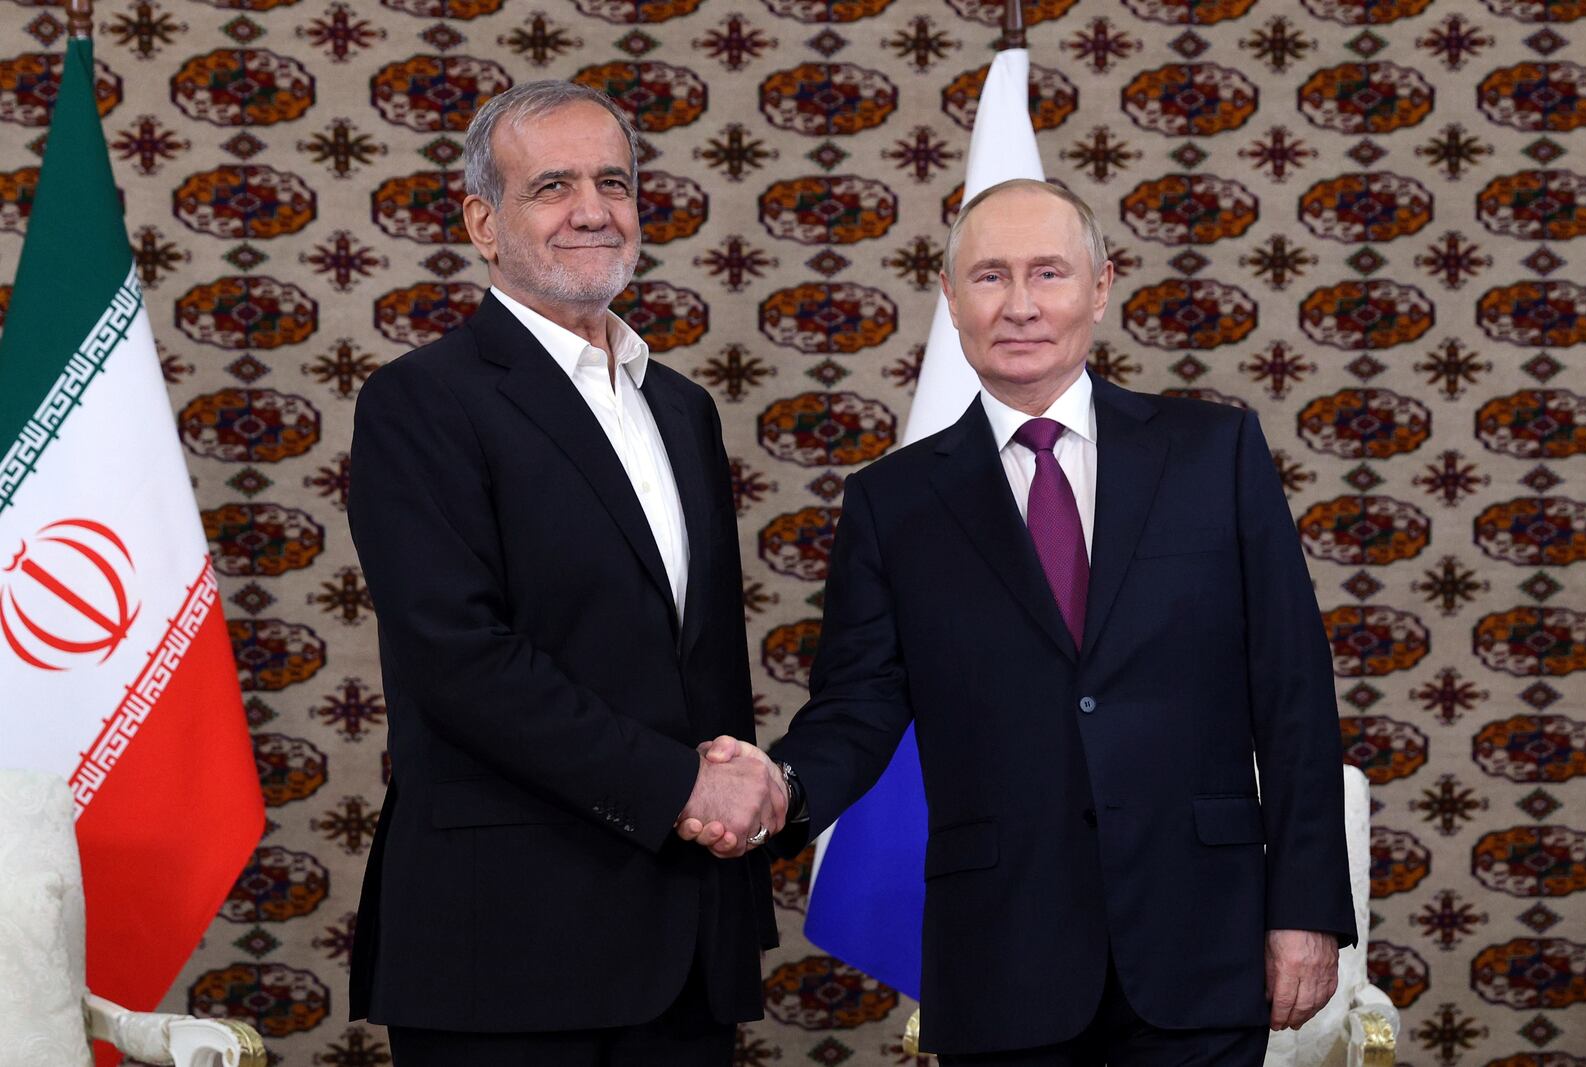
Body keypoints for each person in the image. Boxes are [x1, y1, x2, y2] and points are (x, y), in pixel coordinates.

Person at [687, 178, 1356, 1064]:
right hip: (1003, 957)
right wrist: (780, 789)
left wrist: (1304, 908)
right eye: (992, 276)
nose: (1021, 305)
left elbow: (1295, 695)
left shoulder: (1214, 455)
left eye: (1048, 273)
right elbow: (859, 705)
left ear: (1102, 285)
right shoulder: (893, 503)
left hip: (1199, 944)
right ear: (951, 296)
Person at [346, 80, 788, 1066]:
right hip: (503, 946)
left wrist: (738, 805)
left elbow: (700, 662)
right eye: (552, 185)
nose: (592, 208)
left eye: (613, 182)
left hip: (683, 942)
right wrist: (682, 784)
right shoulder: (421, 403)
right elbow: (460, 660)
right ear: (483, 223)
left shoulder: (681, 409)